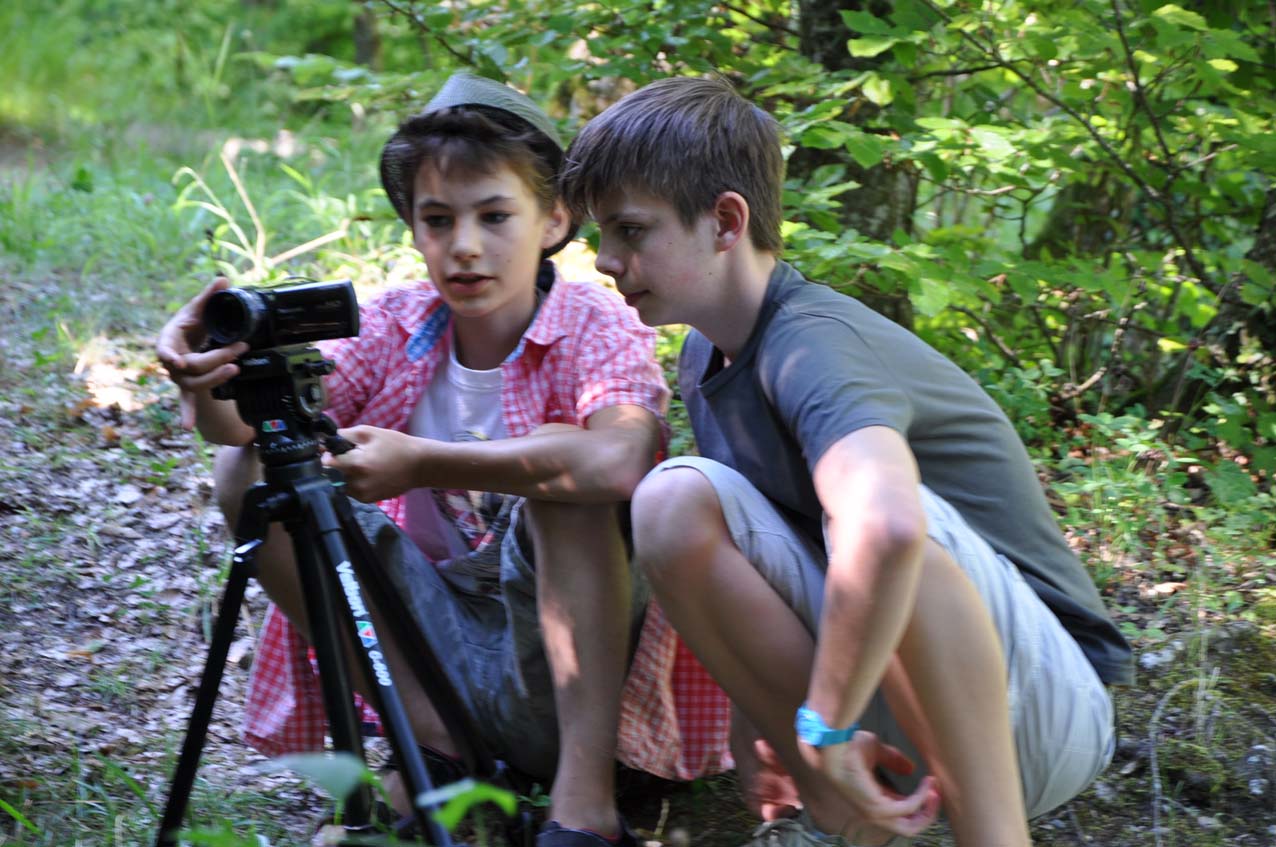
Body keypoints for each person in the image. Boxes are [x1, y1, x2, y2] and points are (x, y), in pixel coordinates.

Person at [156, 72, 733, 846]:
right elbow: (243, 430)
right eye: (437, 219)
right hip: (428, 658)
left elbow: (620, 459)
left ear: (554, 219)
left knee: (564, 478)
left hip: (571, 676)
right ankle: (440, 751)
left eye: (495, 216)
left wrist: (425, 461)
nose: (464, 245)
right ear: (413, 228)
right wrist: (204, 373)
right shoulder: (397, 324)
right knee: (251, 466)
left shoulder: (592, 322)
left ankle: (584, 802)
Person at [559, 75, 1134, 847]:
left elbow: (889, 530)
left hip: (1039, 709)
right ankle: (846, 819)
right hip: (901, 703)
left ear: (726, 221)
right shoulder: (704, 356)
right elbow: (756, 556)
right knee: (674, 501)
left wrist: (823, 724)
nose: (606, 259)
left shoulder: (813, 344)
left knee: (881, 523)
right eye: (604, 234)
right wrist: (759, 726)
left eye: (632, 230)